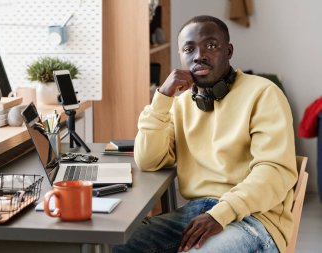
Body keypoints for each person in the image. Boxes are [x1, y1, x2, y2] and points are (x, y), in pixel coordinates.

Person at [112, 15, 297, 253]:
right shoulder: (180, 104)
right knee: (109, 246)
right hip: (194, 214)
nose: (199, 55)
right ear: (180, 56)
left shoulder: (263, 93)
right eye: (189, 49)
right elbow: (148, 161)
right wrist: (162, 97)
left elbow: (274, 171)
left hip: (254, 220)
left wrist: (221, 213)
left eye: (211, 45)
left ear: (228, 51)